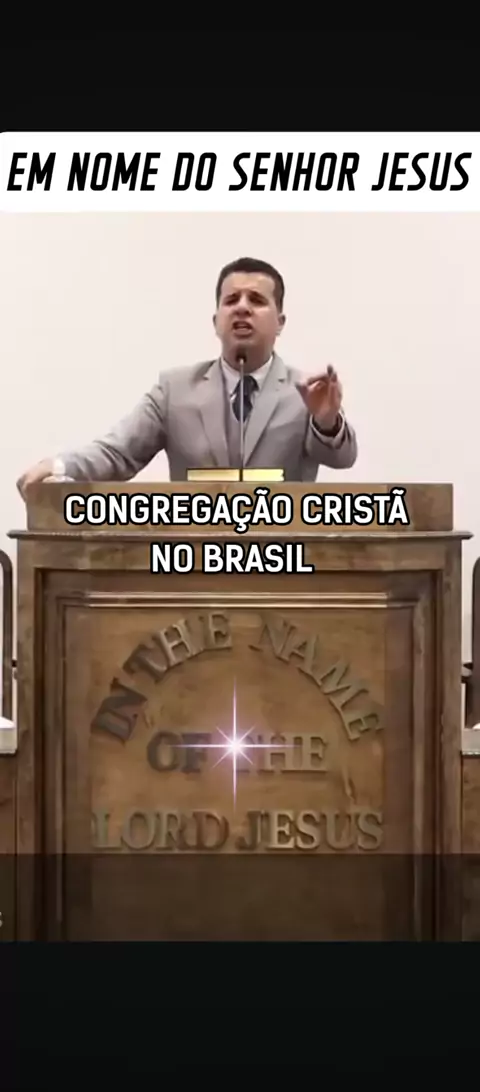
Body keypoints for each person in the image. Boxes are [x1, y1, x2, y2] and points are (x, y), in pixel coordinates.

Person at [16, 256, 358, 497]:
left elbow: (342, 459)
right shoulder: (174, 390)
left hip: (283, 562)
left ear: (280, 322)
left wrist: (327, 422)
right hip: (190, 563)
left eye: (256, 300)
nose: (242, 307)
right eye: (231, 300)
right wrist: (59, 466)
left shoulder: (306, 392)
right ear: (216, 321)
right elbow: (117, 453)